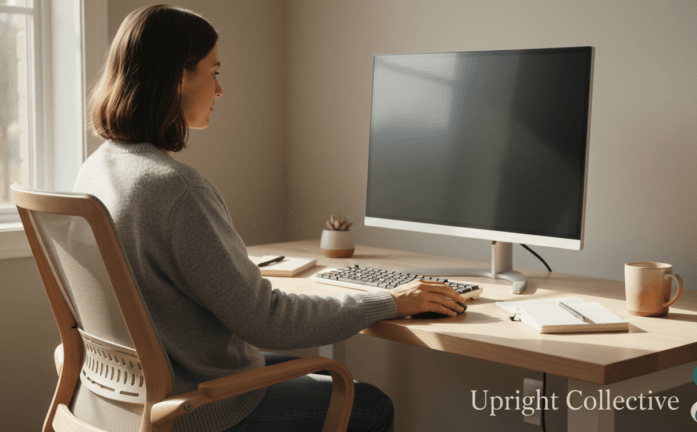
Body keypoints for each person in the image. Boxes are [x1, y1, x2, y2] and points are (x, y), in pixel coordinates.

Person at [74, 4, 466, 432]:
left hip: (124, 397)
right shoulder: (175, 189)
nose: (220, 90)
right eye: (214, 71)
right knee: (369, 404)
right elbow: (266, 320)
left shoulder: (97, 169)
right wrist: (391, 301)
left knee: (304, 367)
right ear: (177, 77)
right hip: (195, 406)